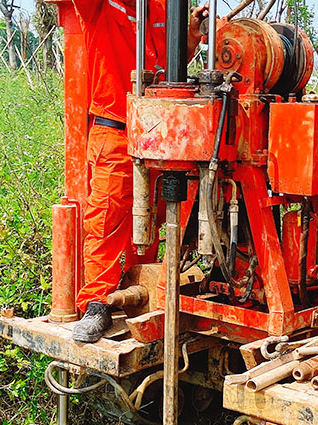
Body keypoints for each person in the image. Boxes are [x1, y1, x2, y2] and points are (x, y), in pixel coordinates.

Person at [71, 0, 208, 343]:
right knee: (106, 219)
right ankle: (97, 304)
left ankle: (140, 289)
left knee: (152, 218)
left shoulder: (166, 8)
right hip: (115, 128)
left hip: (159, 128)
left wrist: (190, 38)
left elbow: (164, 63)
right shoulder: (101, 7)